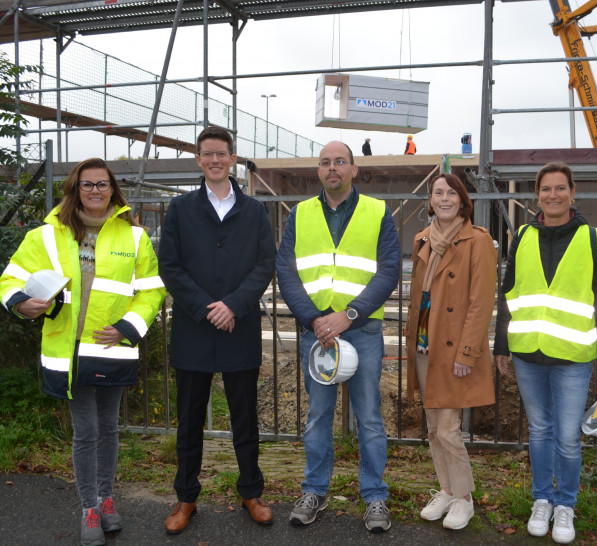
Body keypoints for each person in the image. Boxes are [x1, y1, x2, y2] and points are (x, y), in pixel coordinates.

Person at [0, 158, 166, 546]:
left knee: (108, 428)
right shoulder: (46, 235)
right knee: (86, 430)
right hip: (67, 349)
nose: (95, 191)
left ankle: (107, 498)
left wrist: (129, 328)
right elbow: (10, 277)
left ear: (113, 189)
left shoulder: (134, 237)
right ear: (75, 189)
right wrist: (20, 302)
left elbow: (152, 290)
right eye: (87, 185)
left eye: (102, 184)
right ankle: (89, 505)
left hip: (112, 347)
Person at [493, 162, 597, 545]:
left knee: (567, 436)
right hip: (527, 353)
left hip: (573, 355)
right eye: (546, 189)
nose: (553, 195)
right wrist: (501, 345)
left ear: (572, 192)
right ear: (538, 195)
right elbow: (509, 293)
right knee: (540, 432)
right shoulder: (522, 236)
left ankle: (565, 504)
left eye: (560, 188)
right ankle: (542, 500)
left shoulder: (593, 239)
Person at [276, 141, 400, 533]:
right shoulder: (300, 214)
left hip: (360, 330)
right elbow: (287, 270)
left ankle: (375, 496)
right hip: (317, 335)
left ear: (354, 169)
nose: (333, 168)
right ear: (318, 171)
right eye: (326, 162)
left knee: (370, 418)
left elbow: (389, 269)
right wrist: (314, 319)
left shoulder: (378, 212)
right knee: (317, 417)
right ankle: (315, 490)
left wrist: (348, 316)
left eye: (340, 162)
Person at [158, 126, 276, 534]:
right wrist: (207, 309)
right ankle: (186, 497)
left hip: (239, 328)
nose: (214, 160)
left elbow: (265, 264)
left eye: (221, 153)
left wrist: (234, 306)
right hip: (194, 329)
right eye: (207, 154)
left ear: (232, 158)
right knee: (189, 422)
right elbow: (169, 267)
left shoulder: (255, 211)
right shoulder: (181, 209)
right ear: (198, 159)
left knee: (245, 418)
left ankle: (251, 493)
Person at [405, 174, 497, 530]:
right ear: (430, 199)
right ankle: (446, 489)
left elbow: (480, 303)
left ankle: (464, 498)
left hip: (454, 349)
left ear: (462, 200)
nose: (444, 199)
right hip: (425, 346)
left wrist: (468, 352)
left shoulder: (477, 241)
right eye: (438, 192)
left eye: (451, 193)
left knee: (448, 429)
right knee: (432, 428)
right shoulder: (423, 239)